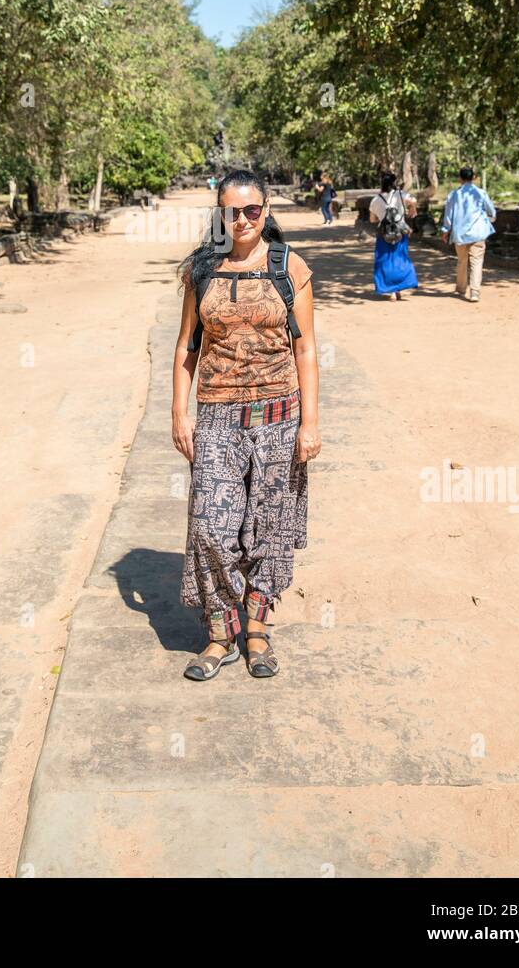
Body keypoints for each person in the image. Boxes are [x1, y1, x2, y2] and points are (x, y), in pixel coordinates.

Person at [173, 168, 320, 681]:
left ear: (266, 209)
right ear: (220, 215)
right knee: (211, 527)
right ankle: (219, 631)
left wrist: (310, 424)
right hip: (217, 417)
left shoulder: (289, 268)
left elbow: (305, 349)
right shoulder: (201, 270)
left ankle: (256, 628)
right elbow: (187, 347)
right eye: (231, 212)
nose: (242, 220)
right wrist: (179, 412)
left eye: (251, 210)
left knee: (268, 528)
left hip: (280, 418)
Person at [441, 166, 497, 303]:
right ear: (474, 177)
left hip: (460, 234)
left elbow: (448, 215)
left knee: (462, 261)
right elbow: (491, 211)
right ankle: (475, 293)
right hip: (478, 232)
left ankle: (461, 289)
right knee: (477, 262)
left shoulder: (453, 195)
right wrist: (489, 219)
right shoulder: (481, 193)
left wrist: (445, 231)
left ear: (460, 178)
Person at [369, 172, 418, 300]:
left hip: (383, 235)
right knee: (400, 260)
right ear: (394, 183)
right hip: (400, 233)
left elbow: (372, 219)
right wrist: (412, 209)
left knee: (384, 261)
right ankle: (398, 289)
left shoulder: (376, 199)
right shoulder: (401, 195)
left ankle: (391, 291)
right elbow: (414, 200)